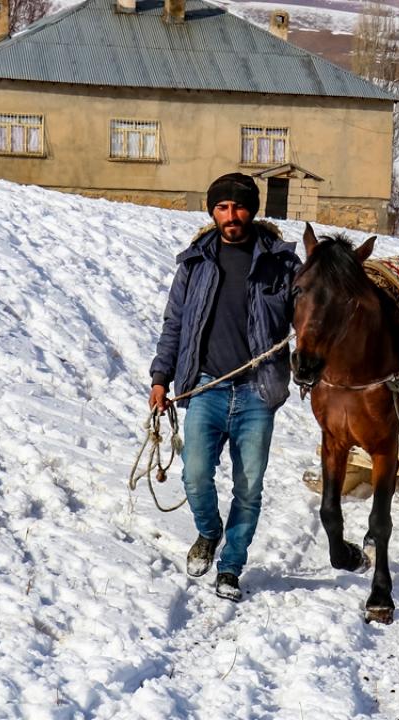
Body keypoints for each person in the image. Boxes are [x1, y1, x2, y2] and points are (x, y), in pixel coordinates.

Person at [149, 173, 302, 602]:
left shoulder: (283, 263)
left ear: (252, 210)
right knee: (195, 475)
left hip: (258, 392)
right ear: (212, 211)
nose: (231, 216)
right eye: (222, 208)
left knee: (248, 486)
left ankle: (232, 565)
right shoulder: (195, 262)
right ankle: (209, 533)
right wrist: (161, 377)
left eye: (238, 208)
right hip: (205, 387)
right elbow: (174, 325)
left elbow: (308, 321)